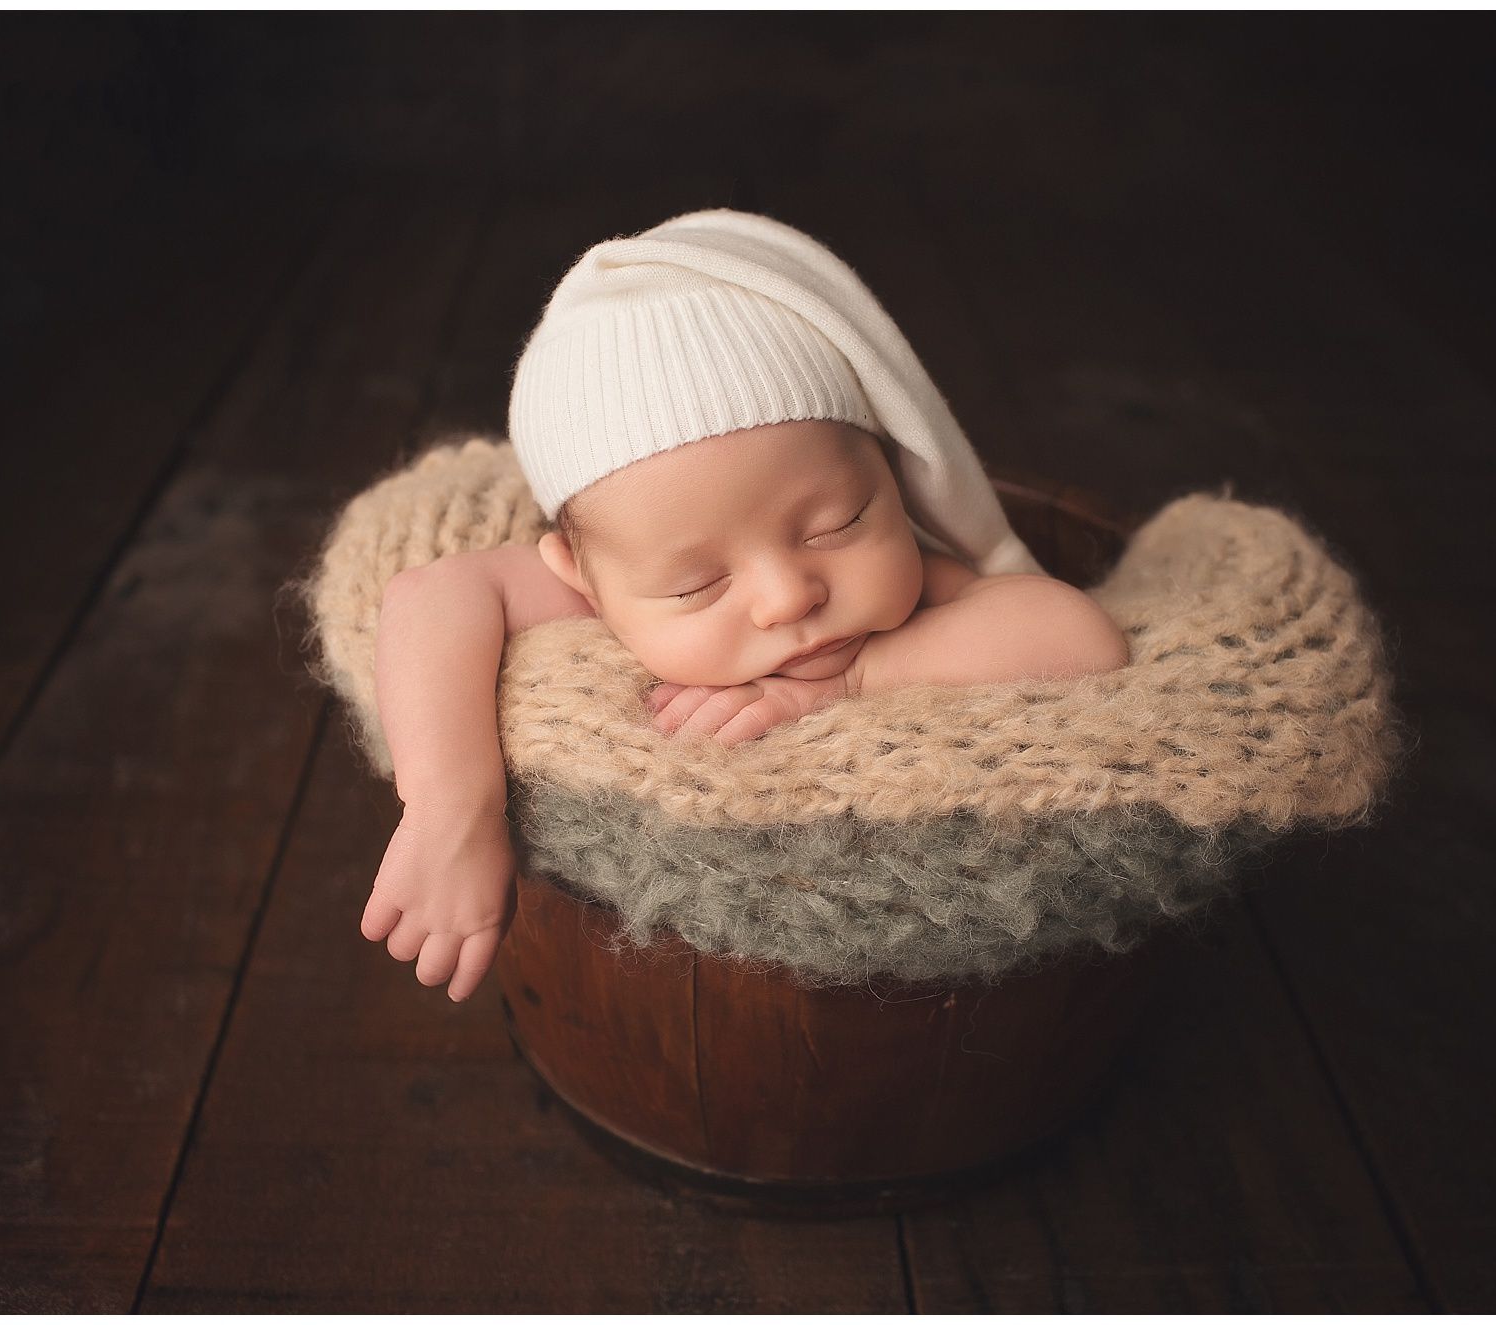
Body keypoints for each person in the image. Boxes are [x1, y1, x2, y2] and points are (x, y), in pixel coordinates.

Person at [360, 209, 1129, 1003]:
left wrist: (848, 680)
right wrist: (454, 805)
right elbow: (432, 594)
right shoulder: (598, 592)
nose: (789, 594)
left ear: (894, 477)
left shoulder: (924, 587)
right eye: (699, 585)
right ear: (584, 581)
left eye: (839, 523)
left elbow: (1080, 636)